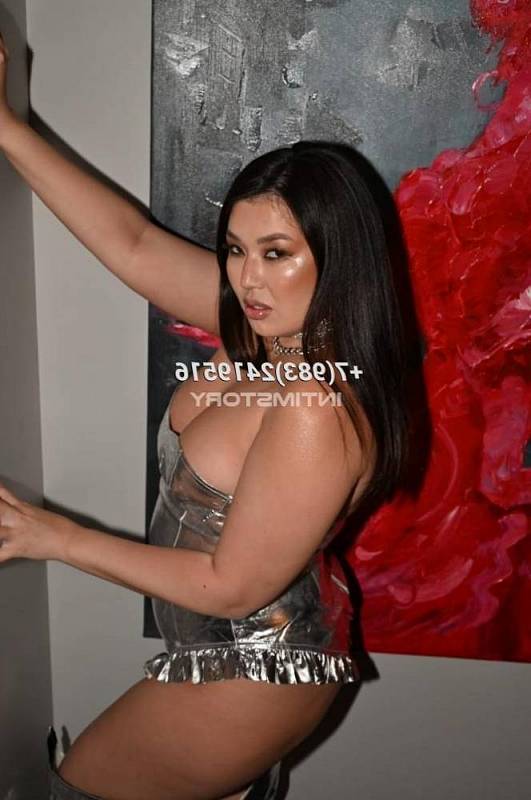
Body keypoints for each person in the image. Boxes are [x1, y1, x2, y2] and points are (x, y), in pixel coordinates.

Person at [0, 31, 410, 800]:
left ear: (335, 259)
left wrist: (53, 536)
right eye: (235, 249)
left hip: (256, 665)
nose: (247, 278)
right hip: (235, 650)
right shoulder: (262, 329)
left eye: (276, 253)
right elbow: (132, 244)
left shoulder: (313, 406)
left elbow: (228, 586)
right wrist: (8, 129)